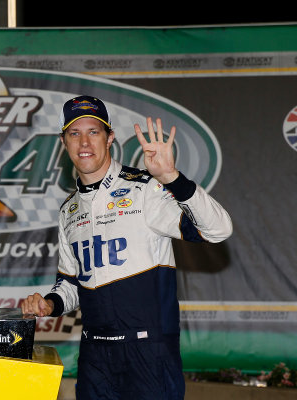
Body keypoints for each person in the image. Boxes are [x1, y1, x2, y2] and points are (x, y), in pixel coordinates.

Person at [21, 95, 232, 399]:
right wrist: (50, 304)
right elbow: (71, 283)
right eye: (74, 133)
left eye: (93, 132)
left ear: (110, 139)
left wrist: (171, 177)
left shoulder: (144, 189)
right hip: (95, 355)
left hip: (147, 350)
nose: (84, 142)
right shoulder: (68, 210)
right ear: (63, 142)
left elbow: (218, 230)